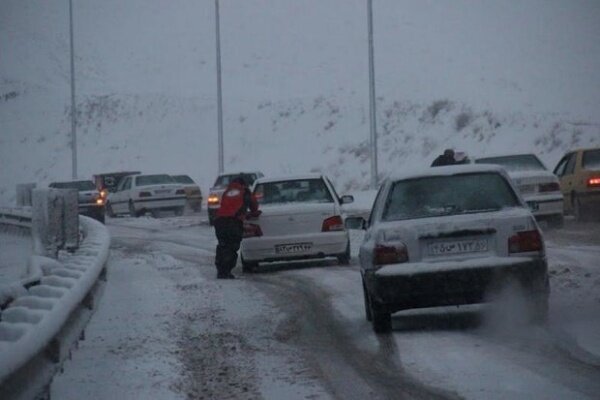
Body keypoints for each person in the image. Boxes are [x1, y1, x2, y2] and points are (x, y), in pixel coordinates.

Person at [213, 176, 260, 279]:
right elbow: (254, 206)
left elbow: (228, 206)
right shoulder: (245, 192)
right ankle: (226, 271)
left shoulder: (226, 192)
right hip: (233, 222)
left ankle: (220, 270)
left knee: (222, 245)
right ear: (243, 184)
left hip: (219, 222)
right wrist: (252, 213)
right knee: (232, 246)